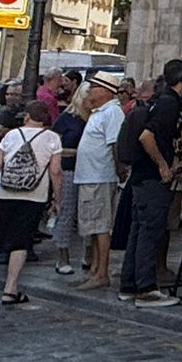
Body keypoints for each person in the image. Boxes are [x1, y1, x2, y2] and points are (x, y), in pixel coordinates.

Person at [0, 100, 61, 306]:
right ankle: (10, 289)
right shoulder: (52, 138)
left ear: (27, 117)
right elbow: (55, 171)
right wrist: (57, 198)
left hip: (2, 193)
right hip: (33, 196)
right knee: (20, 241)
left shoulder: (12, 135)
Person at [120, 62, 182, 306]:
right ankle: (146, 288)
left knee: (138, 231)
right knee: (150, 232)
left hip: (141, 177)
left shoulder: (158, 100)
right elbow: (147, 136)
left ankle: (129, 283)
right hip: (151, 179)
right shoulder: (169, 103)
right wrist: (163, 165)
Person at [71, 76, 124, 290]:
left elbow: (115, 144)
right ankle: (94, 268)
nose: (90, 92)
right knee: (93, 226)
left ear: (105, 91)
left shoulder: (111, 112)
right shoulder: (98, 112)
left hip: (100, 176)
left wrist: (119, 170)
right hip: (90, 175)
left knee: (101, 226)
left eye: (93, 88)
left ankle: (102, 271)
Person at [49, 79, 90, 273]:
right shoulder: (67, 119)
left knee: (89, 214)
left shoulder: (96, 118)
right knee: (66, 211)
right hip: (69, 169)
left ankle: (89, 254)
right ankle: (62, 257)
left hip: (90, 171)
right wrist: (76, 152)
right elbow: (54, 146)